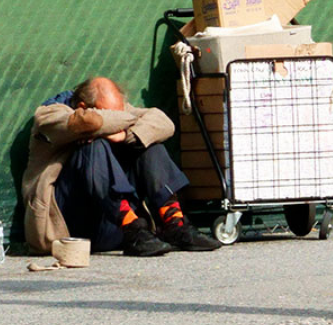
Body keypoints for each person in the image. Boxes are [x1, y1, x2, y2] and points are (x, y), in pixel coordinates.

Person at [21, 77, 222, 256]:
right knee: (94, 147)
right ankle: (132, 228)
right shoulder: (51, 114)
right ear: (82, 105)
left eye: (120, 112)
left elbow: (163, 122)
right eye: (111, 114)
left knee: (147, 143)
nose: (118, 117)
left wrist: (126, 135)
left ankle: (174, 223)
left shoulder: (118, 111)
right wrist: (125, 122)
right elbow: (86, 122)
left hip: (112, 223)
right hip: (71, 229)